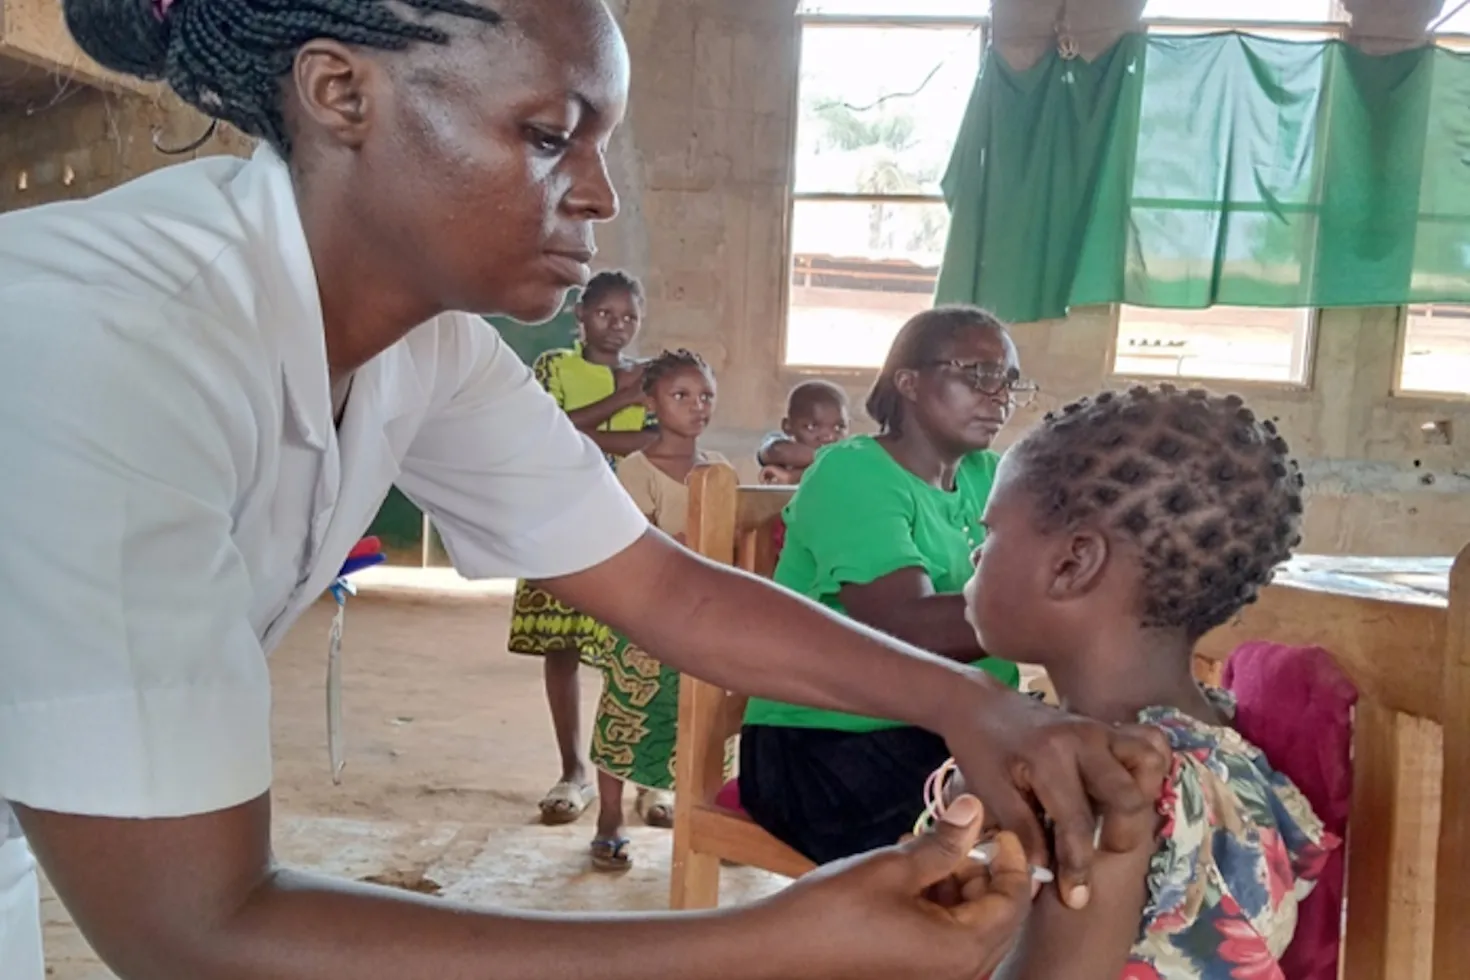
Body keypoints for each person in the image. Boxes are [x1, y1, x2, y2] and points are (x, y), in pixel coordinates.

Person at [0, 2, 1169, 979]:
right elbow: (193, 928)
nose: (599, 193)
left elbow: (664, 586)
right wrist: (767, 940)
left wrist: (974, 707)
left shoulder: (425, 346)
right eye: (552, 134)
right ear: (340, 94)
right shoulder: (109, 350)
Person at [957, 384, 1335, 980]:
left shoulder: (1116, 783)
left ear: (1072, 563)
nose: (975, 555)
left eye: (990, 532)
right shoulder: (1209, 743)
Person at [740, 306, 1042, 864]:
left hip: (951, 728)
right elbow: (905, 627)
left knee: (1080, 789)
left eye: (1009, 381)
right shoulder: (853, 472)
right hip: (828, 745)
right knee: (1013, 839)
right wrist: (1056, 613)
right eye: (978, 374)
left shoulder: (990, 476)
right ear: (909, 382)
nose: (999, 394)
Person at [506, 269, 655, 826]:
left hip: (630, 520)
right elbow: (549, 434)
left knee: (637, 653)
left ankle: (647, 778)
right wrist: (620, 400)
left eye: (629, 317)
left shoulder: (649, 377)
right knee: (562, 648)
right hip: (560, 520)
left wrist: (589, 432)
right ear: (580, 316)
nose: (617, 326)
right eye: (604, 314)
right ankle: (573, 770)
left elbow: (654, 442)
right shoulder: (554, 368)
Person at [590, 349, 725, 871]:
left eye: (706, 396)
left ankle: (704, 819)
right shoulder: (636, 469)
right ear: (650, 402)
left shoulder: (719, 470)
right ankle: (609, 817)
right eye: (681, 395)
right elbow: (634, 543)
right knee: (626, 712)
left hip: (704, 619)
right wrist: (688, 542)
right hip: (644, 618)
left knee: (699, 716)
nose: (697, 406)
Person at [756, 380, 850, 486]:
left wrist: (792, 477)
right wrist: (833, 459)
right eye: (812, 427)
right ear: (788, 426)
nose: (829, 437)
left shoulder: (850, 453)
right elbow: (777, 451)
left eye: (838, 427)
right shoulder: (781, 447)